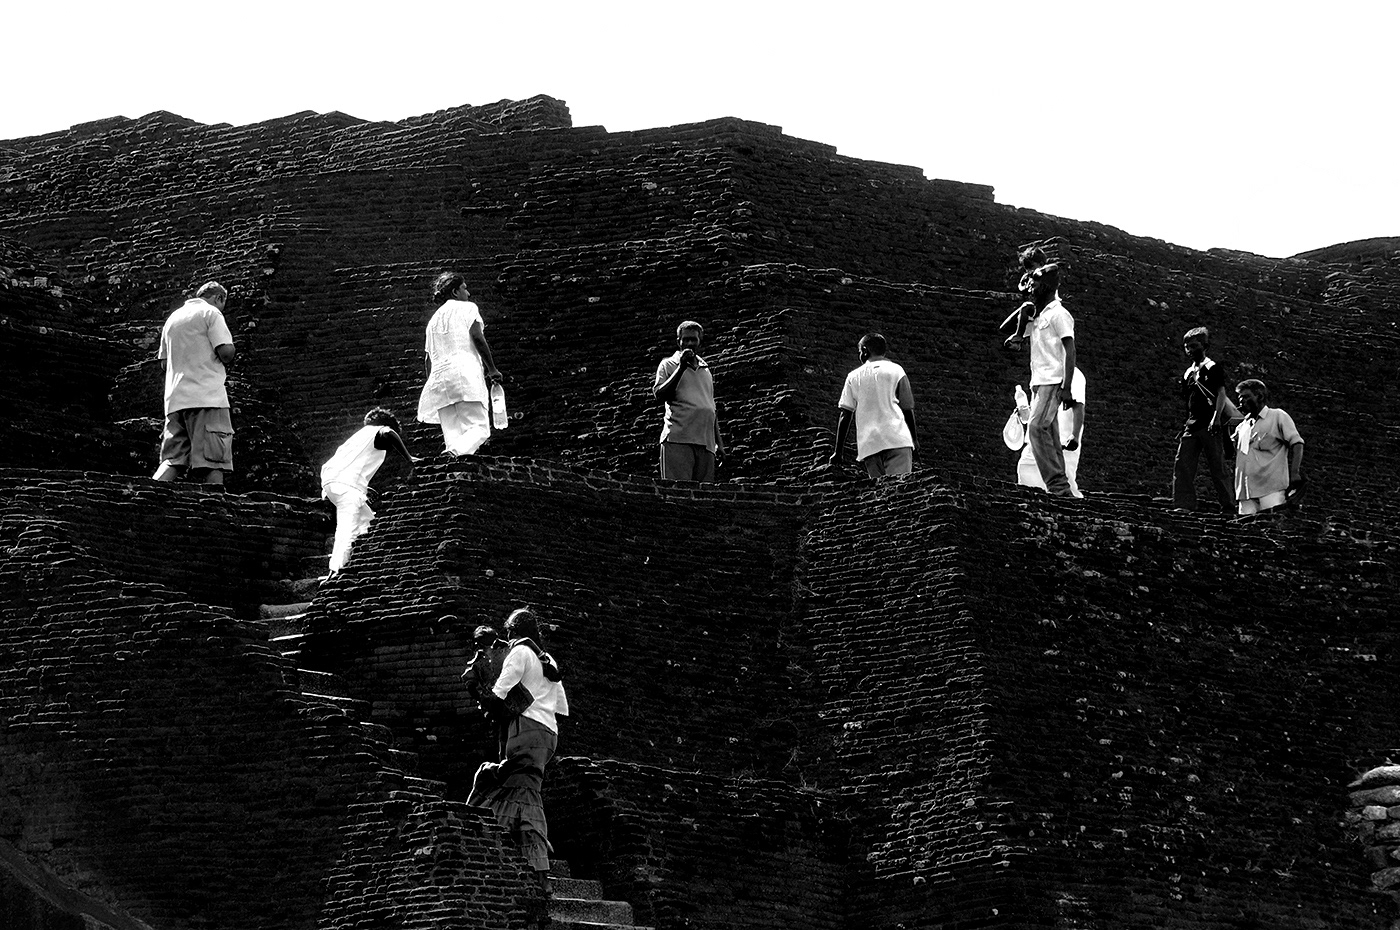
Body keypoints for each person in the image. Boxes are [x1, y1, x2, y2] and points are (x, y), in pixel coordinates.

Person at [468, 608, 568, 892]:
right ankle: (523, 856)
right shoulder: (547, 659)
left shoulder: (520, 653)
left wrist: (476, 687)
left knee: (522, 794)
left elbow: (498, 694)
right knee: (516, 789)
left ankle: (538, 871)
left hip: (525, 730)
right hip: (547, 735)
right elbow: (561, 707)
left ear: (514, 631)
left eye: (509, 632)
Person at [153, 282, 236, 485]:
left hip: (175, 401)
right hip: (208, 398)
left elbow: (164, 364)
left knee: (172, 460)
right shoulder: (211, 313)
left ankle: (148, 495)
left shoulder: (173, 319)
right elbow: (226, 353)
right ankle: (216, 503)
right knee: (214, 461)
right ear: (219, 298)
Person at [319, 407, 417, 574]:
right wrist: (409, 458)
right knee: (348, 528)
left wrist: (362, 486)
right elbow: (388, 433)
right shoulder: (380, 430)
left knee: (367, 523)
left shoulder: (358, 437)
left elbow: (349, 465)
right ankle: (337, 571)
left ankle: (359, 563)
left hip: (333, 483)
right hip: (346, 486)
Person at [417, 272, 502, 456]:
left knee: (454, 436)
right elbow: (477, 337)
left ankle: (452, 459)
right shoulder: (467, 308)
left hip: (439, 382)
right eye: (465, 288)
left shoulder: (432, 322)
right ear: (455, 292)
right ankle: (454, 453)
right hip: (464, 375)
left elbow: (428, 360)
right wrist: (492, 369)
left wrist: (433, 386)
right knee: (479, 428)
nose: (468, 293)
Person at [829, 333, 918, 478]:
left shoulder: (853, 376)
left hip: (870, 446)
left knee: (881, 490)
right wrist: (914, 440)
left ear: (865, 351)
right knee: (899, 487)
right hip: (897, 440)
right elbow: (907, 408)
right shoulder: (897, 370)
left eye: (859, 351)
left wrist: (838, 452)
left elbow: (845, 415)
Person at [1023, 264, 1078, 496]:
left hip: (1052, 380)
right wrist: (1024, 308)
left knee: (1036, 428)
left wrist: (1067, 386)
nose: (1031, 288)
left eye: (1035, 285)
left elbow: (1070, 350)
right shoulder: (1038, 315)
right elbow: (1005, 329)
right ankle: (1063, 489)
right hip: (1038, 382)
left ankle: (1057, 487)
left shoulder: (1059, 314)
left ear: (1046, 286)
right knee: (1051, 436)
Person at [1171, 326, 1234, 514]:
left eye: (1194, 346)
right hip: (1192, 425)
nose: (1189, 350)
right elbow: (1189, 401)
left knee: (1217, 466)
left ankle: (1228, 505)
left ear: (1205, 346)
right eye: (1187, 347)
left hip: (1210, 424)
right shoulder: (1187, 373)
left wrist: (1216, 417)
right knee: (1182, 464)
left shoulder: (1212, 368)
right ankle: (1183, 504)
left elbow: (1221, 393)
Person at [653, 320, 723, 481]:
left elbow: (710, 408)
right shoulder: (668, 365)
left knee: (704, 493)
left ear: (700, 341)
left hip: (706, 443)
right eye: (686, 339)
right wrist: (681, 367)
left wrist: (719, 443)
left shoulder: (706, 370)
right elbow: (659, 395)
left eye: (693, 339)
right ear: (679, 342)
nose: (690, 343)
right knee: (680, 491)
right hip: (679, 439)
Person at [1225, 379, 1305, 515]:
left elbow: (1297, 443)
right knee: (1246, 526)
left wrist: (1295, 472)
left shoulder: (1277, 416)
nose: (1241, 401)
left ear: (1260, 397)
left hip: (1271, 489)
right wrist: (1224, 427)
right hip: (1245, 492)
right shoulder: (1242, 427)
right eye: (1239, 398)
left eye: (1246, 396)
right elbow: (1229, 453)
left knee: (1272, 523)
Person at [1004, 368, 1086, 497]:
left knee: (1060, 488)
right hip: (1036, 444)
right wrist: (1023, 410)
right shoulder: (1042, 372)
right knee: (1025, 471)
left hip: (1061, 444)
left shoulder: (1073, 375)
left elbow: (1078, 406)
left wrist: (1074, 436)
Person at [461, 624, 511, 758]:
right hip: (498, 704)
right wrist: (483, 700)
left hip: (513, 699)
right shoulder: (478, 661)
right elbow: (470, 683)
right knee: (504, 737)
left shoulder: (507, 651)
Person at [1002, 245, 1048, 349]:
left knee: (1026, 306)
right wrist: (1025, 285)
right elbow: (1021, 288)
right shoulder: (1029, 277)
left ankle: (1018, 337)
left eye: (1031, 267)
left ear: (1041, 264)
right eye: (1026, 268)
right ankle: (1024, 332)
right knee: (1005, 327)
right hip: (1033, 310)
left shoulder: (1047, 276)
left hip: (1044, 309)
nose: (1029, 271)